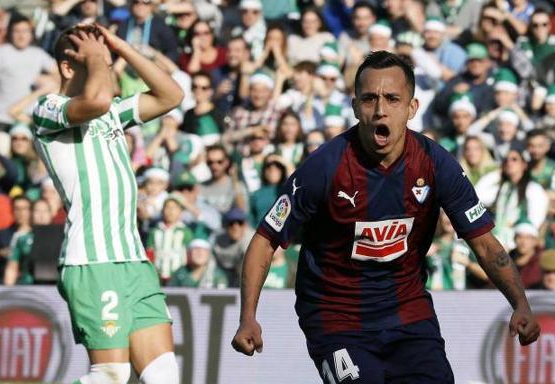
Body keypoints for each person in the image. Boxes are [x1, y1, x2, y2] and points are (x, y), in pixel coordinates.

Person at [231, 51, 540, 383]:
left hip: (408, 311)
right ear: (354, 107)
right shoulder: (324, 167)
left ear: (412, 108)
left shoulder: (435, 163)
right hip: (336, 316)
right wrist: (247, 316)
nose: (380, 109)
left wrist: (519, 302)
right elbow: (265, 240)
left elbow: (484, 242)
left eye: (392, 99)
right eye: (369, 98)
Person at [31, 24, 183, 384]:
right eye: (98, 63)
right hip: (92, 260)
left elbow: (171, 95)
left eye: (108, 63)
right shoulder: (48, 109)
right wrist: (100, 59)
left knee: (164, 375)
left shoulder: (112, 111)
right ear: (69, 68)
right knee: (111, 374)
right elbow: (96, 100)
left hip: (133, 259)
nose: (108, 69)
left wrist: (120, 48)